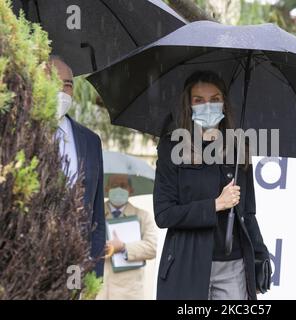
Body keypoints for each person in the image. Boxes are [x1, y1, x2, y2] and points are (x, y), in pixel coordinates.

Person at [153, 70, 270, 300]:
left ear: (224, 104)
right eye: (199, 100)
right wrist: (215, 205)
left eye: (215, 99)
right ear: (189, 105)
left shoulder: (239, 148)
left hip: (233, 265)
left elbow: (248, 212)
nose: (208, 106)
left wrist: (259, 255)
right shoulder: (171, 147)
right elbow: (164, 214)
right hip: (187, 263)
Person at [50, 55, 105, 277]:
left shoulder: (90, 141)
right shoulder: (20, 134)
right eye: (54, 82)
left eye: (68, 85)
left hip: (76, 264)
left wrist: (95, 275)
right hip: (28, 265)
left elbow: (97, 218)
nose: (62, 91)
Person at [96, 174, 158, 300]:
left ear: (131, 190)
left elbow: (152, 247)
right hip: (98, 290)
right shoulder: (95, 215)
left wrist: (123, 247)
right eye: (114, 185)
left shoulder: (143, 216)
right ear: (107, 189)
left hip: (129, 292)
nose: (118, 189)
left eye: (123, 186)